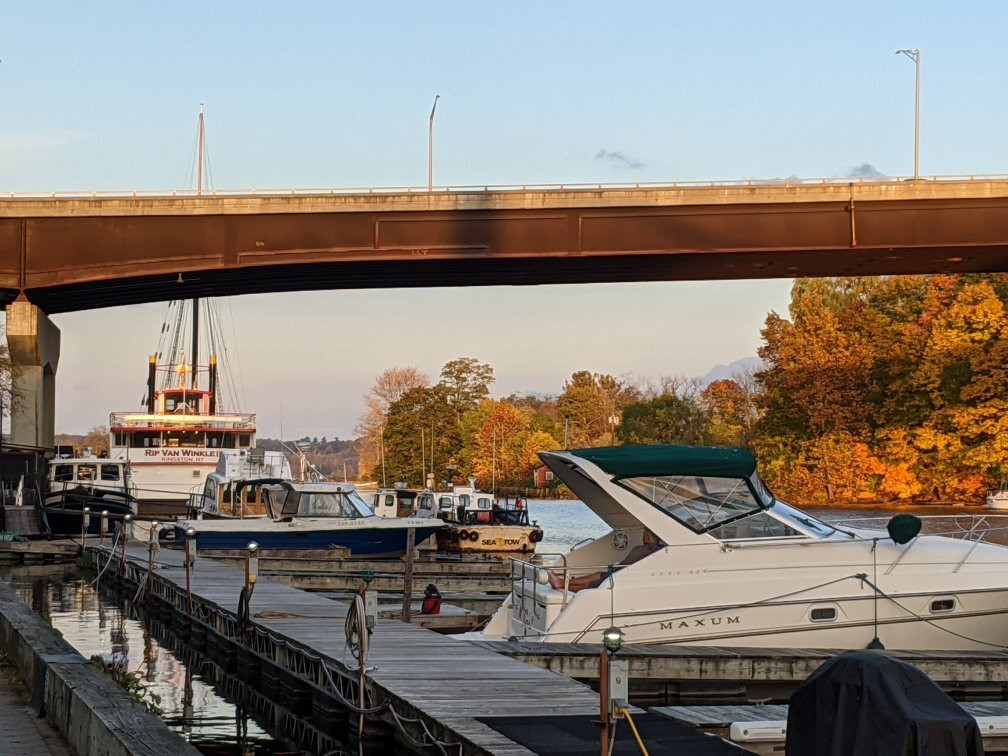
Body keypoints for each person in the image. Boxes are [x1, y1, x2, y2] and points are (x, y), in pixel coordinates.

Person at [548, 528, 663, 591]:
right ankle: (562, 583)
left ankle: (561, 584)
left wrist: (614, 568)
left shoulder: (642, 549)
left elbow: (624, 565)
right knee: (599, 574)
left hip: (623, 576)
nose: (642, 537)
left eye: (644, 535)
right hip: (625, 574)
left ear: (647, 538)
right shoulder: (659, 550)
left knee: (595, 582)